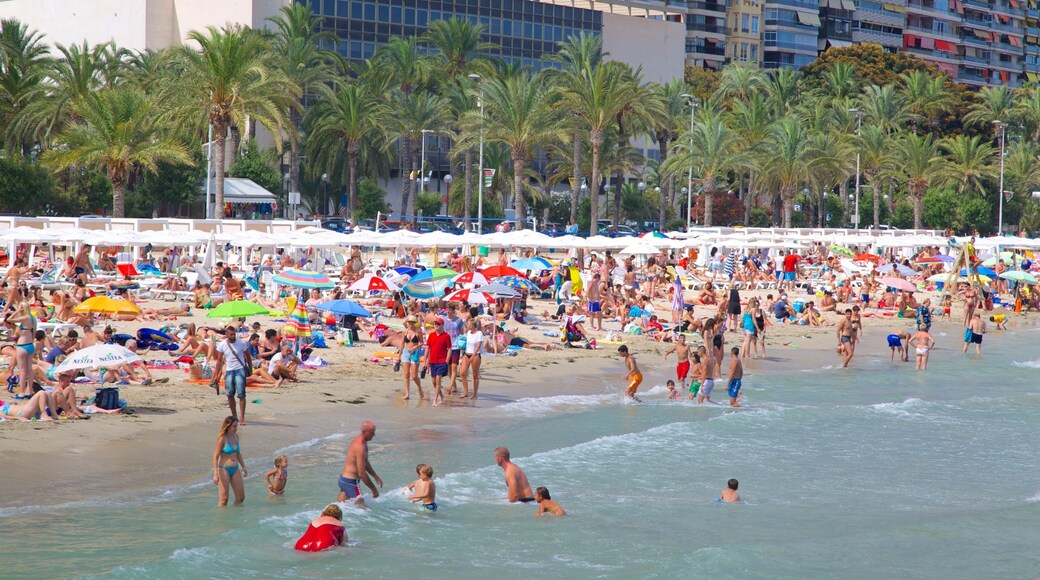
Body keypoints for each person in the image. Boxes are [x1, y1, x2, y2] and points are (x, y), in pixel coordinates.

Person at [212, 326, 252, 425]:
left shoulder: (241, 343)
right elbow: (219, 361)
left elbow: (248, 356)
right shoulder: (222, 345)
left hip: (240, 369)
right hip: (229, 370)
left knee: (241, 394)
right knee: (230, 394)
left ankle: (242, 417)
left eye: (234, 334)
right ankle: (234, 416)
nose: (233, 336)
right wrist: (216, 375)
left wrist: (250, 370)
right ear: (226, 334)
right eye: (231, 334)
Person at [338, 420, 383, 506]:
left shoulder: (362, 441)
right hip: (351, 482)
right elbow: (361, 473)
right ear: (364, 432)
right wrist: (374, 490)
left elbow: (365, 461)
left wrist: (375, 476)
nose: (374, 435)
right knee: (363, 510)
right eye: (371, 433)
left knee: (339, 508)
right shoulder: (360, 447)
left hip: (344, 480)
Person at [212, 416, 247, 507]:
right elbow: (215, 456)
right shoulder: (222, 438)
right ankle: (221, 515)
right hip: (223, 469)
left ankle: (235, 514)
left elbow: (238, 453)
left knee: (241, 497)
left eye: (237, 426)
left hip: (235, 468)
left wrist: (244, 466)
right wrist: (215, 474)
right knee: (224, 500)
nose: (236, 428)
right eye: (234, 426)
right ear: (228, 426)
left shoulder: (236, 436)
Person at [425, 317, 452, 406]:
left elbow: (449, 349)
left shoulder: (446, 336)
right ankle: (441, 395)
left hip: (442, 361)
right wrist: (425, 360)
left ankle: (435, 400)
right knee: (434, 381)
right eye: (435, 324)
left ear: (442, 325)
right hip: (433, 361)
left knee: (438, 379)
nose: (436, 325)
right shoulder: (431, 335)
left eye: (438, 324)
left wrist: (447, 360)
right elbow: (427, 348)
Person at [459, 318, 484, 399]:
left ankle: (475, 394)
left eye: (468, 324)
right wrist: (462, 354)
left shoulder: (479, 333)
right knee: (463, 373)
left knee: (475, 375)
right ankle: (466, 392)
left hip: (475, 355)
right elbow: (465, 344)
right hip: (467, 354)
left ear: (473, 325)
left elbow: (478, 345)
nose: (467, 325)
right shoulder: (468, 333)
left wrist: (473, 356)